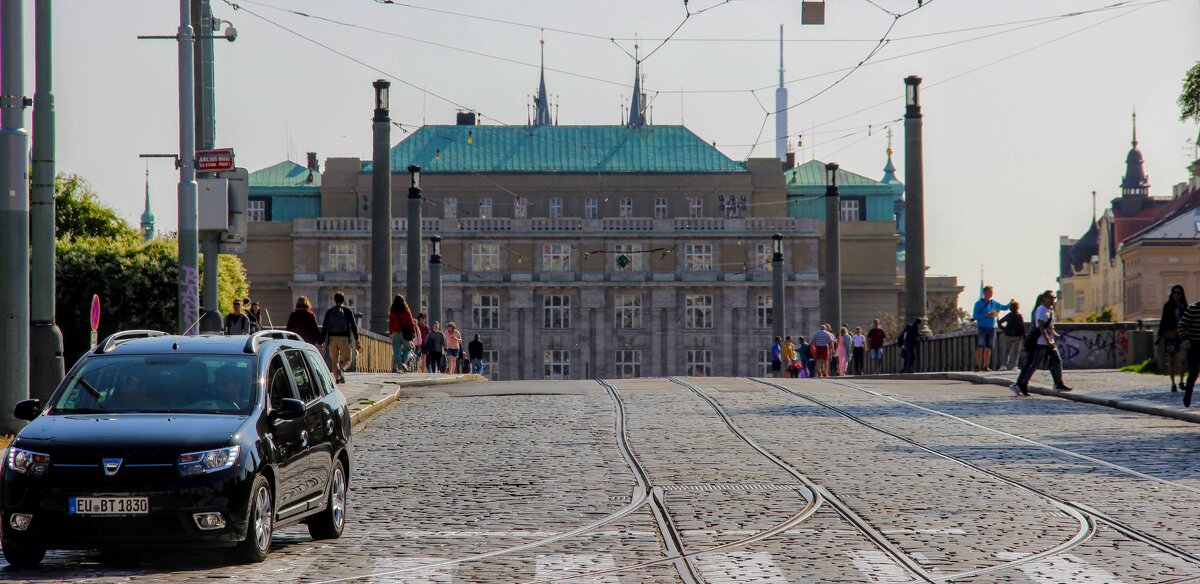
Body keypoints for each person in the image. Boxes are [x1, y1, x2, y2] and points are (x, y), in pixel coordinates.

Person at [1011, 290, 1073, 396]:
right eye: (1050, 298)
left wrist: (1053, 333)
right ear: (1044, 298)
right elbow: (1040, 327)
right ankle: (1022, 384)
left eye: (1054, 298)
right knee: (1035, 364)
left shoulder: (1050, 310)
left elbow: (1049, 325)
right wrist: (1048, 340)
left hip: (1049, 341)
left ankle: (1058, 383)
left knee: (1057, 361)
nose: (1052, 300)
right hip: (1041, 342)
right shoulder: (1041, 310)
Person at [321, 291, 360, 383]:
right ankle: (342, 369)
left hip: (332, 339)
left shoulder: (329, 312)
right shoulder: (347, 311)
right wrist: (356, 338)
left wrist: (321, 340)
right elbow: (353, 326)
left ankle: (337, 379)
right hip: (344, 339)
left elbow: (325, 327)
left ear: (334, 300)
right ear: (344, 300)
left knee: (334, 361)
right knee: (348, 360)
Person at [973, 285, 1012, 372]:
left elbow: (1004, 307)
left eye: (992, 292)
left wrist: (1010, 303)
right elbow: (975, 316)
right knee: (980, 346)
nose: (992, 293)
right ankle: (977, 365)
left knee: (988, 347)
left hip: (992, 327)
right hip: (982, 327)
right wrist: (985, 315)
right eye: (990, 292)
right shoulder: (978, 303)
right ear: (985, 292)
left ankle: (985, 365)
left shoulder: (994, 303)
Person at [1158, 285, 1187, 393]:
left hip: (1182, 336)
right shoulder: (1168, 306)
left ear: (1182, 294)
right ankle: (1173, 383)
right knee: (1171, 361)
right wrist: (1159, 335)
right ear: (1172, 294)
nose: (1176, 295)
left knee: (1183, 359)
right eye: (1175, 293)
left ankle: (1182, 381)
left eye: (1179, 293)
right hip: (1170, 336)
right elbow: (1163, 321)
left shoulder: (1184, 306)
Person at [1176, 292, 1200, 407]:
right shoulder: (1192, 309)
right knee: (1194, 372)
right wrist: (1185, 338)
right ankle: (1188, 393)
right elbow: (1181, 325)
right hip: (1194, 345)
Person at [388, 295, 417, 374]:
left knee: (396, 350)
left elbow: (390, 323)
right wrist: (413, 332)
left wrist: (390, 333)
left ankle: (400, 366)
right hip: (405, 334)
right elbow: (412, 323)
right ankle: (404, 363)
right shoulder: (406, 311)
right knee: (407, 349)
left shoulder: (393, 312)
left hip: (396, 333)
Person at [997, 301, 1026, 372]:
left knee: (1007, 351)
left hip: (1008, 335)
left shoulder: (1008, 315)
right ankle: (1014, 366)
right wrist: (1024, 336)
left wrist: (1005, 329)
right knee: (1016, 352)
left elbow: (999, 322)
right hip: (1017, 336)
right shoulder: (1019, 316)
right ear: (1017, 308)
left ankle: (1004, 365)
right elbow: (1022, 327)